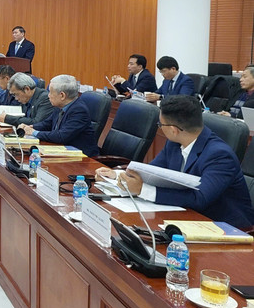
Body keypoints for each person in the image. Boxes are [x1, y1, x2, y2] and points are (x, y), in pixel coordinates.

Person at [96, 95, 254, 230]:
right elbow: (151, 172)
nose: (160, 128)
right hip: (184, 216)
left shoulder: (220, 155)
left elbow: (200, 199)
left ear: (173, 129)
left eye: (160, 125)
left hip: (223, 227)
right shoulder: (175, 143)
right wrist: (116, 175)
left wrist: (143, 190)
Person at [20, 74, 100, 157]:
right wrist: (30, 127)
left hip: (83, 159)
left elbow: (61, 136)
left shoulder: (79, 111)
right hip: (63, 151)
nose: (48, 95)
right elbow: (48, 123)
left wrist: (34, 132)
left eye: (50, 92)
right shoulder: (60, 105)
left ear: (62, 95)